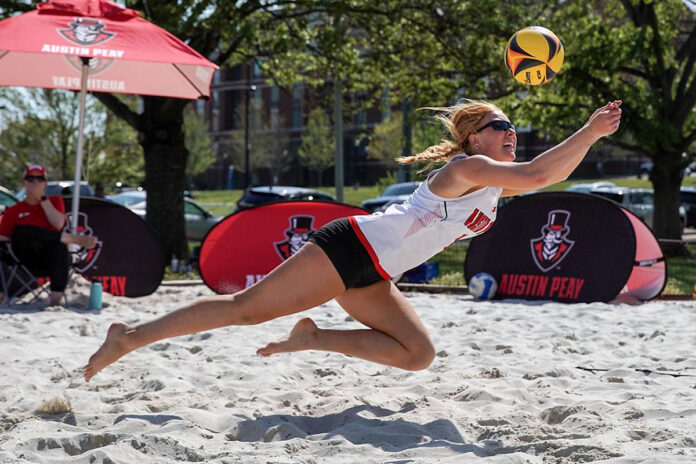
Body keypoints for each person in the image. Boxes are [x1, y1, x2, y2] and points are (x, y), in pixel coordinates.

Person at [84, 99, 622, 382]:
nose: (511, 133)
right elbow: (537, 176)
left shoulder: (490, 177)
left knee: (417, 355)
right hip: (352, 247)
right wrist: (591, 131)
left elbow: (545, 174)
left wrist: (588, 138)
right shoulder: (469, 167)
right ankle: (128, 334)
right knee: (245, 309)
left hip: (376, 272)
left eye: (513, 129)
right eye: (500, 125)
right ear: (472, 137)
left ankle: (314, 338)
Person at [0, 164, 98, 306]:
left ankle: (55, 303)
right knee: (22, 231)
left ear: (45, 183)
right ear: (24, 183)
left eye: (40, 178)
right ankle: (71, 238)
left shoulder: (54, 201)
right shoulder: (14, 210)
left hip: (49, 258)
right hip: (25, 258)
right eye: (30, 178)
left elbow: (58, 224)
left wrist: (42, 198)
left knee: (59, 247)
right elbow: (3, 240)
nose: (35, 182)